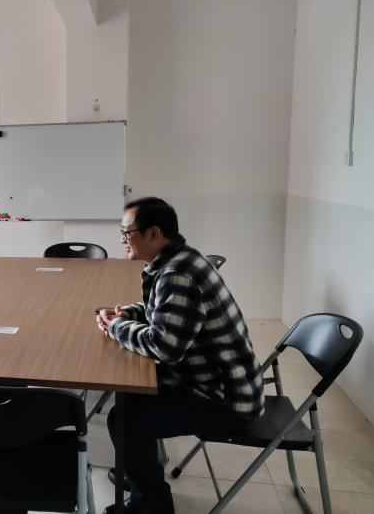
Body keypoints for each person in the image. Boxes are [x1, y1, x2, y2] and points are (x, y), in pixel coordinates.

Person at [96, 197, 264, 514]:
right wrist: (128, 313)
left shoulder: (178, 274)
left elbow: (164, 347)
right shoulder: (180, 260)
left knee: (125, 420)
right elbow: (163, 310)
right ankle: (139, 471)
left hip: (224, 400)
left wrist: (116, 327)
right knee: (129, 395)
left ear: (154, 234)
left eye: (126, 232)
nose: (122, 240)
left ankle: (152, 506)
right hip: (210, 383)